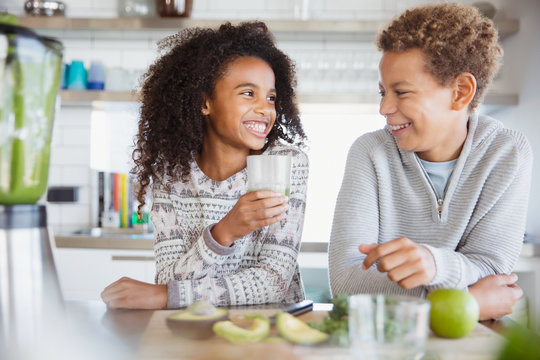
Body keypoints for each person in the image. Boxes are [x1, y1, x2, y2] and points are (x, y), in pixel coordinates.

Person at [329, 3, 531, 320]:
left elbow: (493, 272)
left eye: (402, 92)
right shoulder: (370, 153)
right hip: (390, 343)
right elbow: (346, 284)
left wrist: (434, 264)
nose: (384, 108)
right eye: (382, 91)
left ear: (460, 92)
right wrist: (467, 304)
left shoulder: (507, 153)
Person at [101, 21, 309, 309]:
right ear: (205, 102)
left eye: (271, 97)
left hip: (270, 332)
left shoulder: (285, 164)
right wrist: (224, 233)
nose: (265, 108)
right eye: (248, 93)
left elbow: (272, 280)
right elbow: (168, 277)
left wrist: (166, 296)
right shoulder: (171, 174)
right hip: (193, 329)